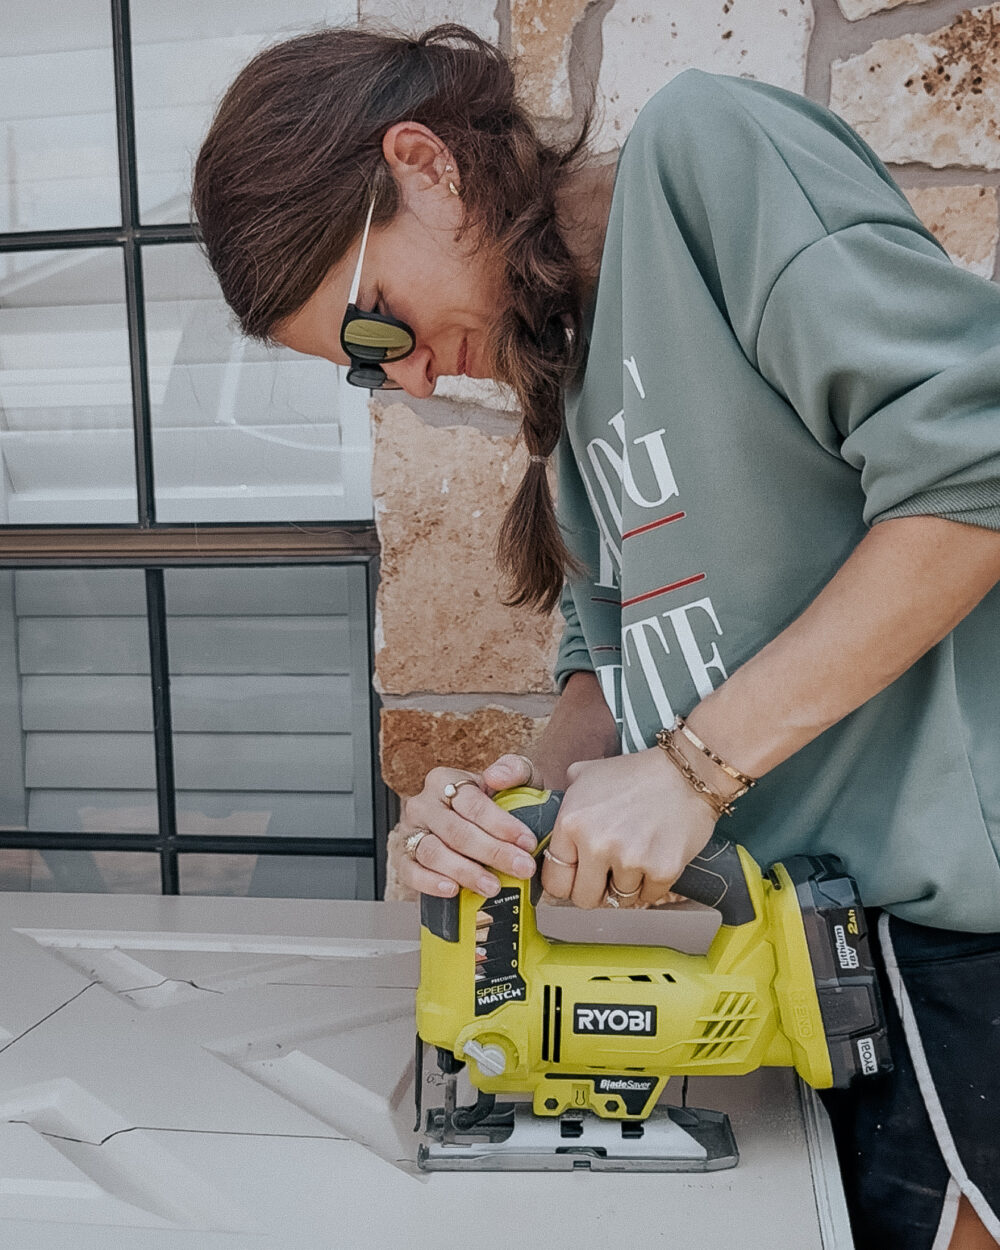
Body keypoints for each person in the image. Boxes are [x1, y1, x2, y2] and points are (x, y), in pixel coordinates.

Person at [193, 23, 1000, 1249]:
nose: (406, 380)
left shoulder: (703, 160)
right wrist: (512, 807)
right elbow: (615, 650)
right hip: (800, 956)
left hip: (951, 948)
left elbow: (974, 466)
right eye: (367, 373)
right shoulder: (565, 372)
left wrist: (695, 768)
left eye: (371, 326)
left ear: (422, 163)